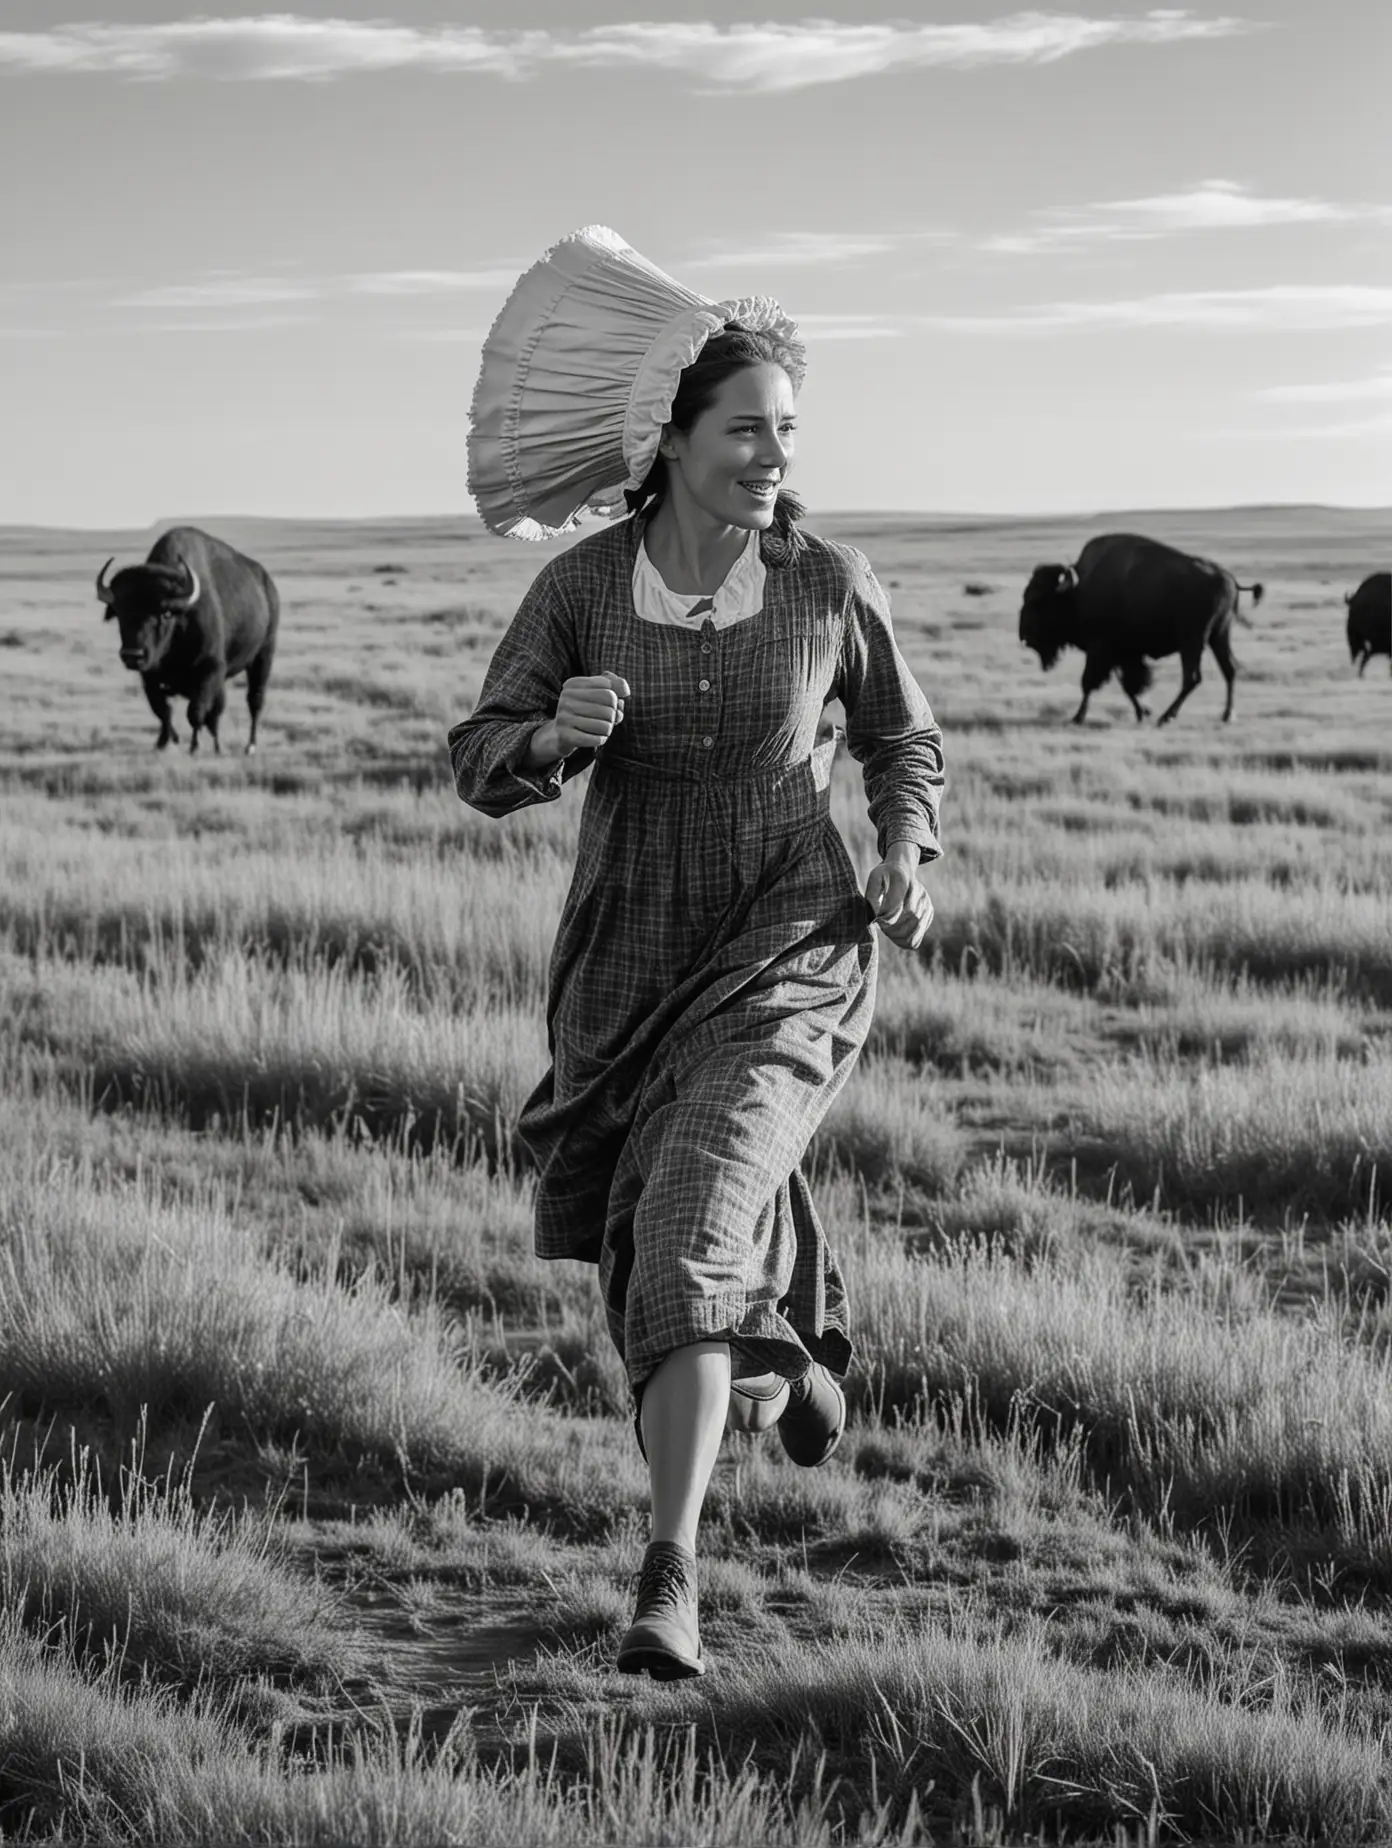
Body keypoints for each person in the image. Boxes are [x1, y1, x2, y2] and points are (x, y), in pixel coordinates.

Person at [449, 321, 944, 1681]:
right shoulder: (583, 594)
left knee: (684, 1220)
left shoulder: (827, 583)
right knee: (659, 1223)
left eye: (787, 428)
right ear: (668, 442)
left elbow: (902, 736)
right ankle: (792, 1356)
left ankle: (668, 1578)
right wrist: (551, 737)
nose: (774, 455)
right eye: (745, 427)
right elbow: (476, 755)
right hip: (628, 961)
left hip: (793, 941)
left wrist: (902, 850)